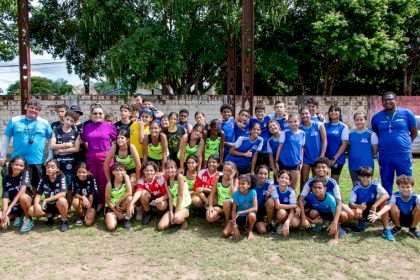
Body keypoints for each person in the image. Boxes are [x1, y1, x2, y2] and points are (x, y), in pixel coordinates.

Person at [1, 99, 53, 193]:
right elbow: (6, 137)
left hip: (37, 160)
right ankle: (20, 205)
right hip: (19, 161)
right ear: (26, 107)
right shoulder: (15, 120)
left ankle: (35, 204)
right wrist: (3, 156)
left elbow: (50, 139)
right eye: (31, 108)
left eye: (36, 109)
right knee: (18, 185)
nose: (33, 110)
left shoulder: (44, 123)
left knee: (37, 185)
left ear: (39, 111)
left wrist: (50, 155)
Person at [371, 91, 417, 195]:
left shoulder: (407, 113)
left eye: (389, 99)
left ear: (396, 100)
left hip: (403, 155)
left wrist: (406, 145)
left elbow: (414, 132)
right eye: (384, 100)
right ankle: (388, 207)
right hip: (385, 155)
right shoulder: (376, 117)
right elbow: (377, 133)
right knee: (386, 183)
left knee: (406, 182)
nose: (387, 102)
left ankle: (405, 206)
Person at [299, 157, 351, 235]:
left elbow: (339, 202)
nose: (321, 169)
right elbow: (301, 199)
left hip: (332, 206)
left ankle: (337, 225)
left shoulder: (332, 182)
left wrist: (335, 222)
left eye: (323, 167)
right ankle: (321, 222)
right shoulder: (311, 181)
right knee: (312, 212)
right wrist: (303, 218)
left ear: (328, 169)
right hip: (318, 206)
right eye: (318, 167)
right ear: (315, 169)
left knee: (347, 214)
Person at [81, 104, 117, 211]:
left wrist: (111, 154)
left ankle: (108, 203)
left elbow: (115, 142)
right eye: (95, 113)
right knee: (94, 181)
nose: (98, 115)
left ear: (103, 114)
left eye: (100, 113)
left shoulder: (109, 126)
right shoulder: (87, 127)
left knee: (106, 180)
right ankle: (98, 203)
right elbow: (83, 140)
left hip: (106, 156)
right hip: (92, 156)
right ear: (91, 115)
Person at [368, 174, 419, 239]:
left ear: (412, 187)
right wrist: (378, 214)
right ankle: (397, 227)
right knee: (392, 206)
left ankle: (412, 229)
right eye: (402, 187)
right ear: (398, 187)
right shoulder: (395, 195)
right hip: (398, 218)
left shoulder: (416, 196)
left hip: (411, 218)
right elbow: (388, 206)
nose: (405, 189)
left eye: (408, 187)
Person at [348, 167, 392, 240]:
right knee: (357, 211)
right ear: (359, 177)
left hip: (372, 206)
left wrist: (375, 206)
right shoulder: (356, 188)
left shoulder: (375, 184)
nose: (365, 179)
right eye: (363, 176)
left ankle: (386, 229)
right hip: (362, 207)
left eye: (368, 176)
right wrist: (359, 206)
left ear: (371, 177)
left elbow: (386, 195)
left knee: (384, 201)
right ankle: (361, 220)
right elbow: (350, 204)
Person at [28, 159, 69, 232]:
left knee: (62, 200)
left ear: (57, 168)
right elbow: (38, 194)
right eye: (48, 167)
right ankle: (50, 215)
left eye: (52, 167)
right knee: (31, 210)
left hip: (58, 205)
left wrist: (46, 200)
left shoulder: (61, 177)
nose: (49, 169)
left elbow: (63, 193)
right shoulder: (43, 179)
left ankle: (64, 221)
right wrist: (36, 204)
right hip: (49, 205)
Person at [301, 178, 340, 246]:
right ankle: (320, 224)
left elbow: (335, 218)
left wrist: (335, 239)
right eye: (315, 187)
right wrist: (311, 221)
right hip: (320, 215)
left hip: (331, 215)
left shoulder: (331, 199)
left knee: (339, 219)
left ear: (325, 189)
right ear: (312, 189)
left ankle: (334, 226)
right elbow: (301, 210)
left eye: (320, 187)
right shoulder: (310, 197)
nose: (317, 189)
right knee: (312, 212)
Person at [0, 157, 33, 233]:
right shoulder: (6, 178)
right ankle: (17, 216)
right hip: (15, 205)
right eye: (16, 164)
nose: (18, 167)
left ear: (24, 167)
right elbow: (5, 196)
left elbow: (22, 191)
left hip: (27, 202)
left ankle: (28, 219)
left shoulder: (25, 173)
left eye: (21, 165)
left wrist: (9, 207)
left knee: (23, 197)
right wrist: (5, 214)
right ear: (11, 164)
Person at [157, 160, 191, 231]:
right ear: (165, 170)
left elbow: (180, 196)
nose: (170, 170)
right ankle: (174, 220)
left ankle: (183, 221)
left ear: (176, 169)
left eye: (172, 167)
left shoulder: (179, 177)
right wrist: (171, 212)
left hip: (184, 205)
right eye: (167, 168)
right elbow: (170, 198)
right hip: (175, 204)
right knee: (160, 227)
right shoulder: (167, 182)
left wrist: (175, 212)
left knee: (176, 218)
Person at [299, 107, 327, 191]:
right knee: (304, 180)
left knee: (317, 180)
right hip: (305, 159)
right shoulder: (299, 127)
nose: (304, 115)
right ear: (300, 115)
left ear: (310, 114)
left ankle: (315, 198)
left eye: (306, 113)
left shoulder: (318, 124)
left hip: (317, 158)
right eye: (302, 114)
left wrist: (321, 156)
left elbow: (324, 140)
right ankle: (303, 198)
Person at [50, 110, 81, 186]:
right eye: (67, 119)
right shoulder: (56, 130)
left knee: (69, 185)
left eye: (71, 121)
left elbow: (76, 149)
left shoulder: (76, 133)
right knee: (57, 183)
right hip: (58, 161)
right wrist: (67, 145)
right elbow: (52, 146)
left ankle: (69, 198)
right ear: (64, 118)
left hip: (70, 161)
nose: (69, 122)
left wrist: (61, 150)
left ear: (74, 123)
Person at [275, 113, 306, 189]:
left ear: (299, 121)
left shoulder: (303, 133)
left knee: (293, 188)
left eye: (295, 121)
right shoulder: (285, 132)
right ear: (288, 123)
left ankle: (292, 201)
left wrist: (301, 161)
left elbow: (301, 148)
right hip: (284, 163)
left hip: (295, 163)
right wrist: (276, 161)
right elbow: (280, 147)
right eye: (291, 122)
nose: (293, 123)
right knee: (282, 187)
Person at [223, 174, 257, 240]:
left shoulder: (253, 192)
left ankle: (250, 230)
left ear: (249, 185)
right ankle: (239, 227)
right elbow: (233, 210)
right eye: (239, 183)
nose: (240, 186)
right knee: (225, 233)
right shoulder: (236, 194)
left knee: (252, 215)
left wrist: (241, 212)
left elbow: (255, 208)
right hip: (238, 217)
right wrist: (234, 225)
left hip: (247, 216)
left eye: (243, 184)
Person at [348, 112, 378, 186]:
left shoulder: (371, 134)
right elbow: (348, 148)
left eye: (361, 119)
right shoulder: (350, 134)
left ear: (365, 120)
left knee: (367, 185)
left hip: (367, 165)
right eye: (357, 120)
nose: (359, 122)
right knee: (356, 186)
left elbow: (375, 150)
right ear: (354, 121)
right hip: (353, 164)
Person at [269, 170, 300, 237]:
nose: (284, 179)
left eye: (286, 178)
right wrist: (294, 206)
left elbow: (292, 210)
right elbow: (277, 206)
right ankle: (279, 224)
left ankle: (286, 226)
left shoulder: (291, 192)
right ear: (277, 179)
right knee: (281, 212)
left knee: (295, 223)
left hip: (289, 213)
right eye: (282, 177)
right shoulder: (273, 187)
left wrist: (287, 222)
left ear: (289, 182)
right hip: (278, 212)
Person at [324, 104, 349, 183]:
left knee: (334, 181)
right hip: (325, 158)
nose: (333, 112)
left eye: (336, 110)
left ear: (340, 113)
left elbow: (344, 144)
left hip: (338, 159)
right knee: (324, 180)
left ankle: (335, 195)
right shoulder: (324, 125)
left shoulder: (343, 127)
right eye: (331, 111)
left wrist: (334, 159)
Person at [104, 163, 133, 231]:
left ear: (125, 172)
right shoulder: (109, 184)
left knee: (130, 198)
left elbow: (129, 192)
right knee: (111, 227)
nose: (119, 172)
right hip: (112, 207)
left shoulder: (126, 178)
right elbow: (107, 201)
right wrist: (117, 213)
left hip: (122, 205)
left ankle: (127, 219)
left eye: (121, 170)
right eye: (116, 170)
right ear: (113, 172)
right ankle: (118, 217)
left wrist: (118, 201)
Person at [71, 162, 98, 226]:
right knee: (75, 201)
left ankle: (90, 212)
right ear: (76, 172)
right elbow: (75, 193)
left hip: (92, 202)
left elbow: (92, 194)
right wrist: (83, 197)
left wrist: (89, 210)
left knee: (88, 223)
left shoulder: (91, 178)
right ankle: (82, 216)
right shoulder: (75, 179)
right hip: (82, 200)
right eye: (79, 172)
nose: (81, 174)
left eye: (83, 172)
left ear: (88, 172)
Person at [253, 165, 275, 234]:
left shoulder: (270, 184)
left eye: (265, 174)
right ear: (256, 174)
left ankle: (269, 223)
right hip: (252, 209)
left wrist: (268, 196)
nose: (263, 176)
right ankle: (252, 224)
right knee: (262, 230)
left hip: (262, 209)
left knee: (270, 201)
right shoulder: (251, 183)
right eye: (260, 173)